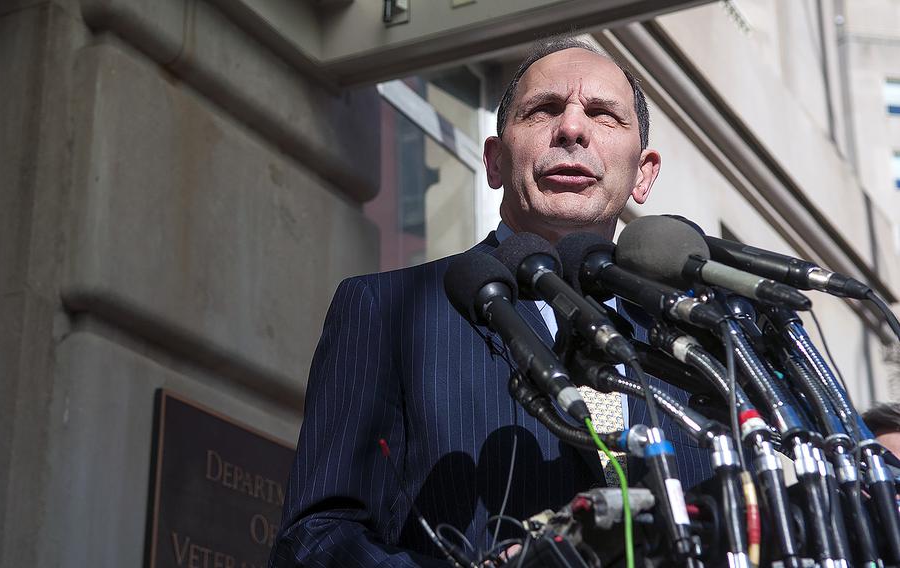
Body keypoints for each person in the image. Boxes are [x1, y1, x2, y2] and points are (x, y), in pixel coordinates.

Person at [269, 37, 714, 567]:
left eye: (602, 114)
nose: (572, 129)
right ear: (495, 161)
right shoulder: (385, 311)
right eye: (544, 109)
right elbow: (314, 540)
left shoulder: (703, 340)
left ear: (643, 174)